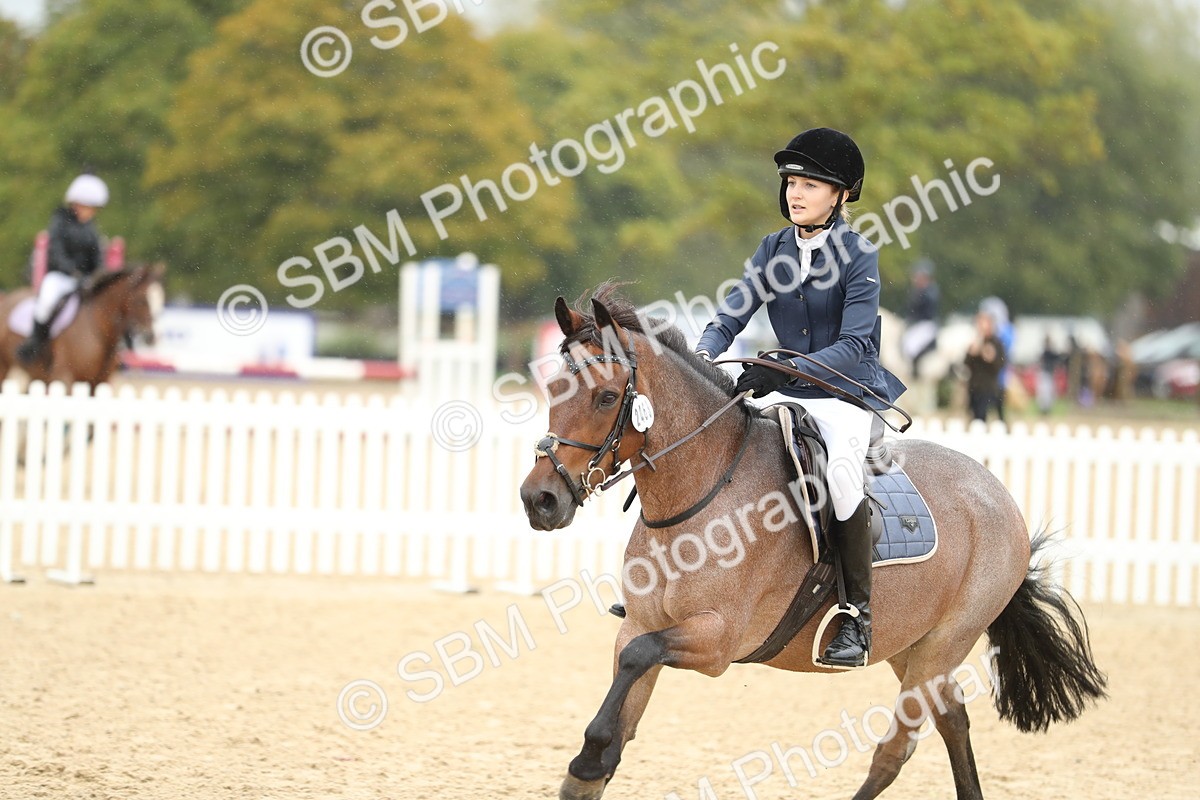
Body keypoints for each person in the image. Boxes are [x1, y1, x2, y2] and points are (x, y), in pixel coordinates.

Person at [695, 127, 906, 668]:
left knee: (838, 475)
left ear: (840, 196)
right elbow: (732, 313)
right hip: (785, 387)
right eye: (792, 181)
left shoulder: (859, 255)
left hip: (844, 393)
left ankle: (857, 617)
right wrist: (702, 356)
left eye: (811, 184)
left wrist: (784, 367)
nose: (796, 192)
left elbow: (857, 343)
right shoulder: (773, 249)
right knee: (718, 448)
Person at [17, 173, 109, 367]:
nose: (90, 212)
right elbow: (56, 252)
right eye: (87, 207)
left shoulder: (91, 229)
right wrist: (73, 272)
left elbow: (96, 257)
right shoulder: (60, 222)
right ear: (76, 204)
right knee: (46, 303)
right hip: (60, 277)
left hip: (84, 280)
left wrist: (97, 275)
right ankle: (34, 343)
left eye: (93, 208)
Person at [964, 310, 1006, 424]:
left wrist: (991, 357)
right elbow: (966, 364)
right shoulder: (975, 341)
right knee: (975, 418)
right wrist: (971, 353)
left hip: (989, 387)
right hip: (975, 387)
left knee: (991, 417)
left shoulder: (996, 343)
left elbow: (1000, 364)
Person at [901, 258, 939, 379]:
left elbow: (923, 312)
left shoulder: (930, 291)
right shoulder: (918, 291)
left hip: (926, 324)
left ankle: (915, 372)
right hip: (918, 324)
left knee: (911, 347)